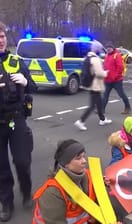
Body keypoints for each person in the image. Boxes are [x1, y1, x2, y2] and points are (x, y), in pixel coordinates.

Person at [32, 139, 123, 224]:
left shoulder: (89, 175)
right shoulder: (52, 193)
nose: (84, 161)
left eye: (84, 156)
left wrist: (102, 185)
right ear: (65, 163)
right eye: (78, 158)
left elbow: (98, 204)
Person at [0, 21, 36, 222]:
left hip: (16, 118)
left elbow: (33, 87)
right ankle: (6, 201)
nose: (0, 41)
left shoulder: (17, 61)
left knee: (23, 161)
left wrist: (26, 81)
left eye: (2, 36)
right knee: (1, 166)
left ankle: (26, 191)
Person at [74, 43, 112, 131]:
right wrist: (106, 73)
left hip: (91, 84)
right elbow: (99, 73)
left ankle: (102, 119)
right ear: (97, 50)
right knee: (92, 106)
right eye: (100, 49)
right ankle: (81, 121)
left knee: (99, 103)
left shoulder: (87, 57)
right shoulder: (95, 59)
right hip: (95, 84)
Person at [102, 42, 131, 115]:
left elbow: (120, 67)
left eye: (109, 47)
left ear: (112, 48)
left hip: (116, 80)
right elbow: (105, 66)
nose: (108, 49)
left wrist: (115, 76)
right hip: (108, 80)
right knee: (105, 95)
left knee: (121, 94)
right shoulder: (106, 56)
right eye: (107, 48)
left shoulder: (116, 55)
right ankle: (102, 109)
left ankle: (127, 108)